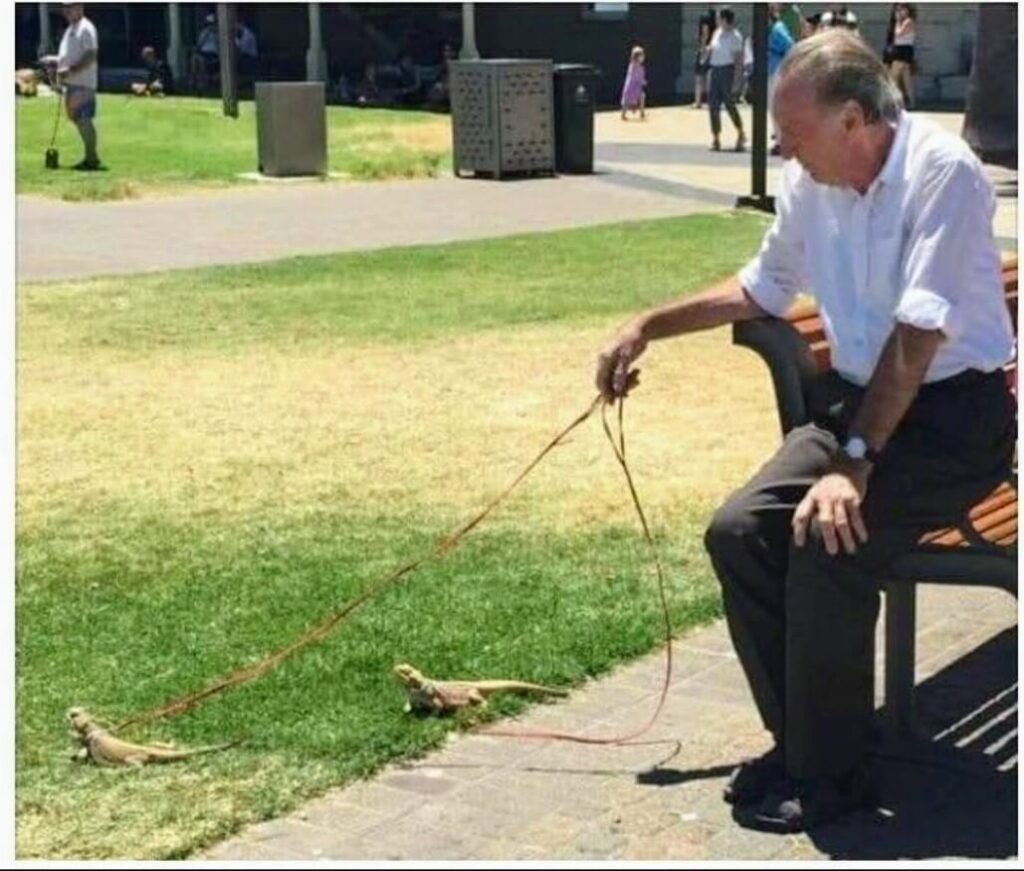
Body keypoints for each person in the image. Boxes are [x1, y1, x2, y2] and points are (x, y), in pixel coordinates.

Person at [595, 29, 1014, 834]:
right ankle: (812, 745)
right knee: (740, 528)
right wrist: (647, 324)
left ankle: (831, 777)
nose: (782, 149)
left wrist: (854, 461)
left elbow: (920, 334)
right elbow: (761, 287)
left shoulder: (942, 175)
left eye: (794, 132)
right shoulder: (811, 184)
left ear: (854, 120)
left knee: (827, 537)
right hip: (865, 404)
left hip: (955, 421)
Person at [43, 2, 101, 170]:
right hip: (72, 82)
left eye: (70, 6)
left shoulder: (86, 28)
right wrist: (54, 60)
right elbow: (68, 55)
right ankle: (91, 157)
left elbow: (91, 55)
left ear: (80, 7)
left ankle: (92, 158)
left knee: (83, 119)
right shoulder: (70, 29)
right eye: (64, 7)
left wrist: (70, 70)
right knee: (77, 118)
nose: (66, 10)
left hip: (83, 82)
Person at [706, 7, 746, 152]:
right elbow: (712, 47)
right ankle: (716, 137)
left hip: (727, 71)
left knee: (730, 105)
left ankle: (740, 132)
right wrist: (708, 50)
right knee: (713, 106)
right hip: (715, 70)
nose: (716, 20)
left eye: (718, 17)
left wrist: (737, 80)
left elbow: (738, 61)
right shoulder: (717, 33)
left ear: (724, 19)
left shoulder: (735, 36)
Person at [767, 3, 795, 153]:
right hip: (770, 69)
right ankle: (779, 138)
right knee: (771, 107)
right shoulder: (770, 27)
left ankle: (781, 141)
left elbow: (790, 45)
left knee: (776, 106)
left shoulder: (777, 28)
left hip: (777, 68)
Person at [889, 4, 916, 109]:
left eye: (901, 10)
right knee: (906, 78)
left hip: (903, 50)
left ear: (907, 10)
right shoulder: (905, 21)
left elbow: (898, 33)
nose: (899, 12)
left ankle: (896, 102)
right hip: (902, 49)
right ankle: (911, 102)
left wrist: (897, 22)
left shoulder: (908, 21)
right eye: (898, 10)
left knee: (893, 76)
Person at [693, 7, 717, 109]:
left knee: (699, 76)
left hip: (705, 48)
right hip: (714, 49)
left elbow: (705, 33)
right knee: (710, 77)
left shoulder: (704, 17)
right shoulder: (717, 18)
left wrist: (702, 49)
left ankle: (698, 102)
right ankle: (711, 101)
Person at [620, 45, 646, 120]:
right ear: (636, 57)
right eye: (641, 56)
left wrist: (642, 81)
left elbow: (640, 76)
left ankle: (642, 113)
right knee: (627, 101)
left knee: (642, 97)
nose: (643, 58)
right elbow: (633, 76)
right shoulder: (633, 66)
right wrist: (641, 81)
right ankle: (623, 114)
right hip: (631, 87)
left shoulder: (641, 67)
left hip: (637, 87)